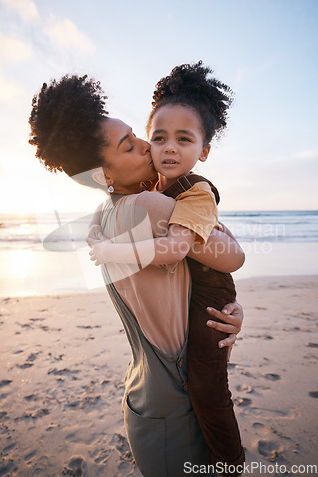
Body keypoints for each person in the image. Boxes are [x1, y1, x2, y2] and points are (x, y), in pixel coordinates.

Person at [28, 73, 244, 477]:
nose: (149, 146)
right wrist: (234, 308)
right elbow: (232, 256)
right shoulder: (151, 207)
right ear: (102, 176)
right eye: (131, 145)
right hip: (177, 401)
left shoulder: (103, 215)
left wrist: (226, 307)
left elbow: (167, 290)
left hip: (143, 396)